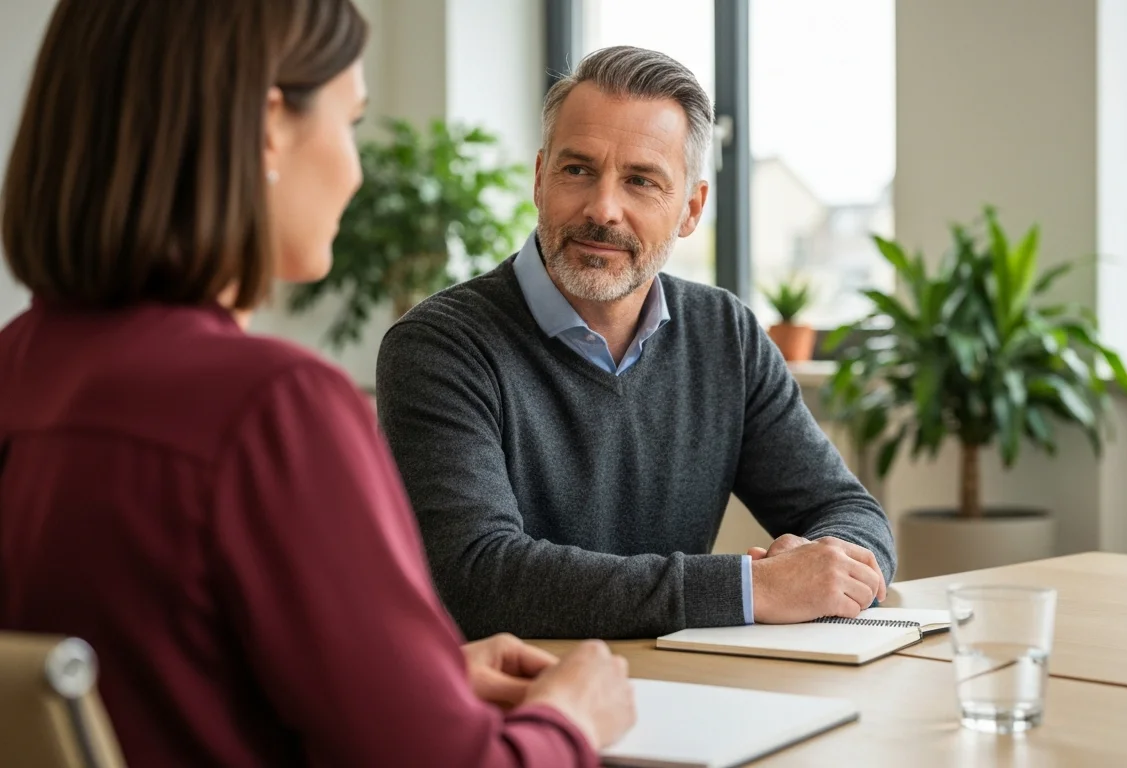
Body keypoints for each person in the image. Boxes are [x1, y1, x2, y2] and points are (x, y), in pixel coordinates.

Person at [0, 1, 633, 765]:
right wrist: (570, 720)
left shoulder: (19, 368)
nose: (356, 171)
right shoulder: (270, 411)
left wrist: (414, 684)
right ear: (271, 126)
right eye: (351, 122)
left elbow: (161, 688)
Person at [376, 46, 897, 641]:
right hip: (520, 691)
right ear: (540, 179)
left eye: (641, 181)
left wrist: (832, 567)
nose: (603, 209)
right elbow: (478, 577)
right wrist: (752, 588)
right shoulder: (439, 347)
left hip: (681, 683)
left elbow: (849, 512)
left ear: (691, 209)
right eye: (577, 170)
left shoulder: (725, 334)